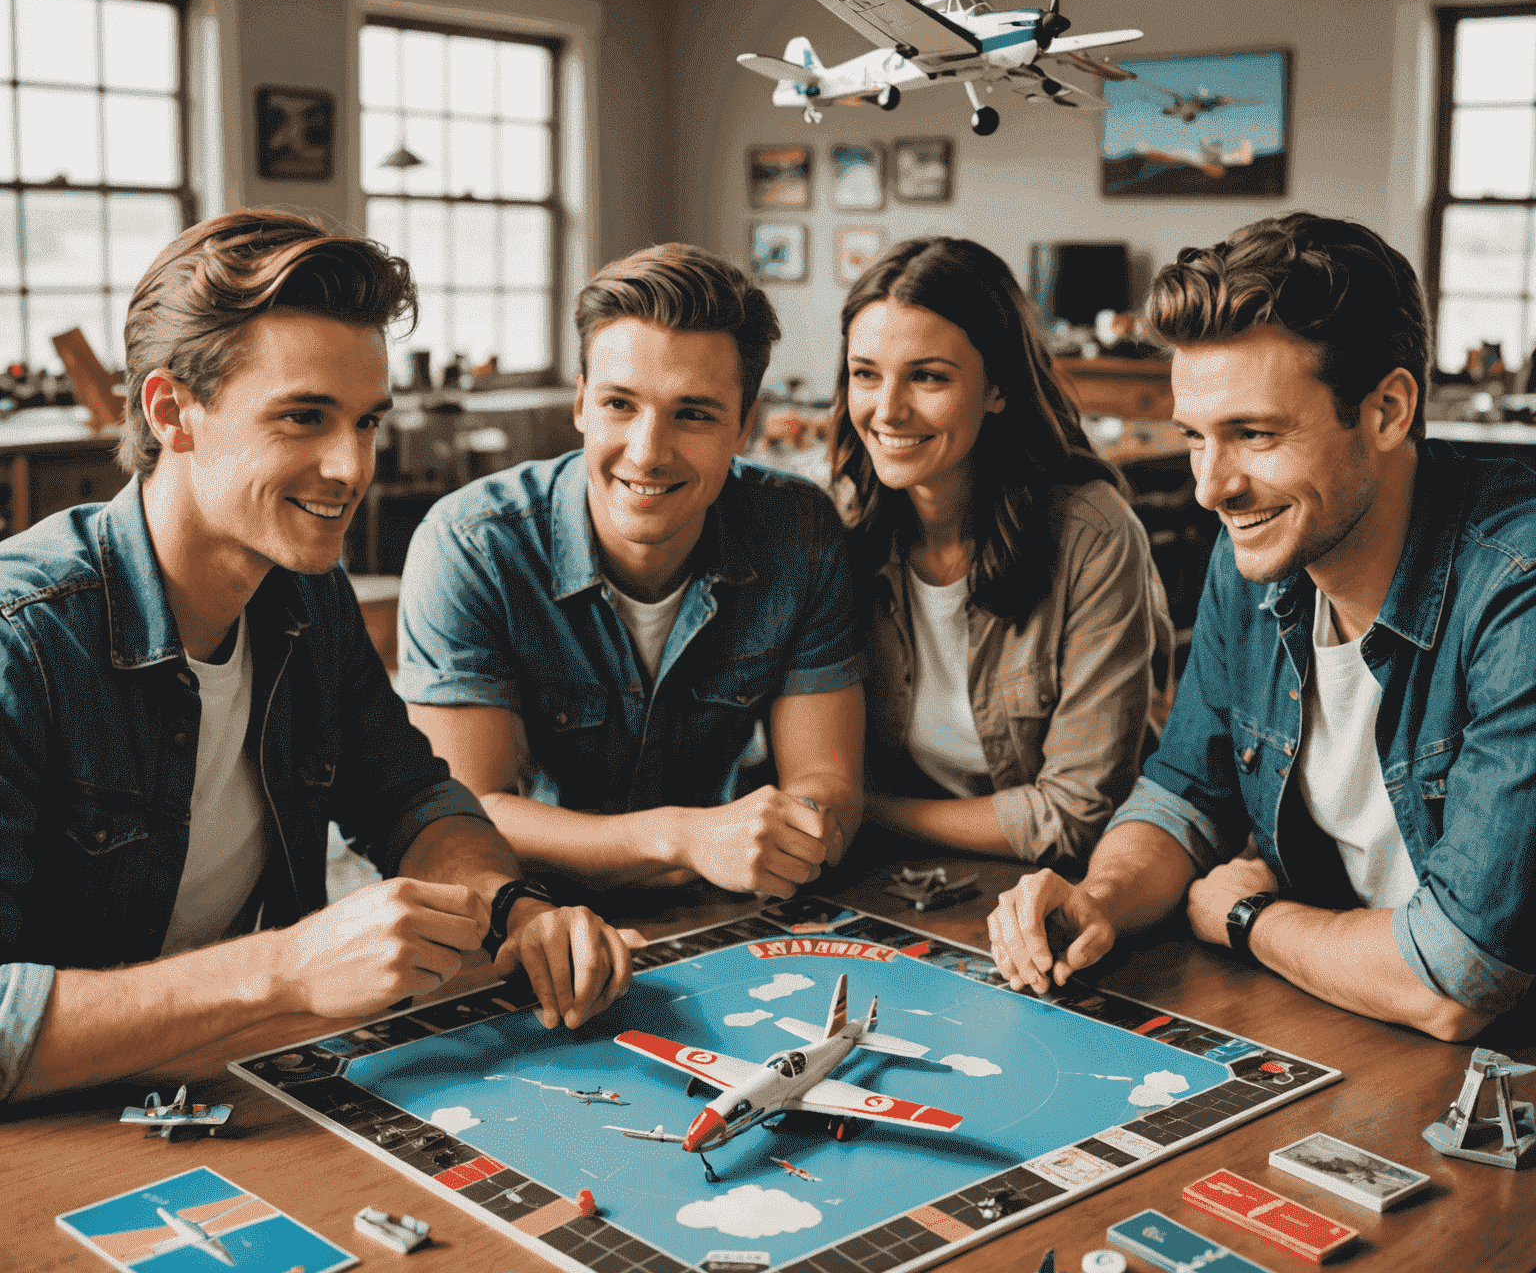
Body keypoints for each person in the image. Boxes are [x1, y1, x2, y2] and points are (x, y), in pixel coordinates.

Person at [0, 210, 634, 1105]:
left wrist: (511, 907)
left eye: (367, 421)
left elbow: (403, 795)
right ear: (172, 411)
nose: (349, 466)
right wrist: (287, 967)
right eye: (303, 418)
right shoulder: (21, 640)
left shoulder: (306, 594)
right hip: (58, 1132)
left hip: (245, 1080)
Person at [989, 213, 1536, 1041]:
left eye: (1253, 435)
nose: (1212, 488)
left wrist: (1247, 917)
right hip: (1349, 1023)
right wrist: (1098, 899)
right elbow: (1184, 795)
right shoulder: (1264, 548)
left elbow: (1459, 976)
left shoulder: (1516, 589)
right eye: (1195, 439)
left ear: (1387, 410)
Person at [398, 243, 863, 898]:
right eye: (620, 405)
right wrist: (682, 837)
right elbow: (466, 810)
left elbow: (828, 784)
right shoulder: (472, 545)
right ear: (581, 403)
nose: (647, 453)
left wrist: (795, 834)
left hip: (730, 898)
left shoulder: (799, 532)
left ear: (743, 425)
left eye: (693, 414)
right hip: (531, 905)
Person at [831, 237, 1171, 866]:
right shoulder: (839, 533)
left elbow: (1073, 817)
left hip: (1071, 889)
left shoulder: (1093, 536)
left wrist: (867, 809)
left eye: (928, 377)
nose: (888, 410)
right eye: (865, 374)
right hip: (899, 885)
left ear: (998, 388)